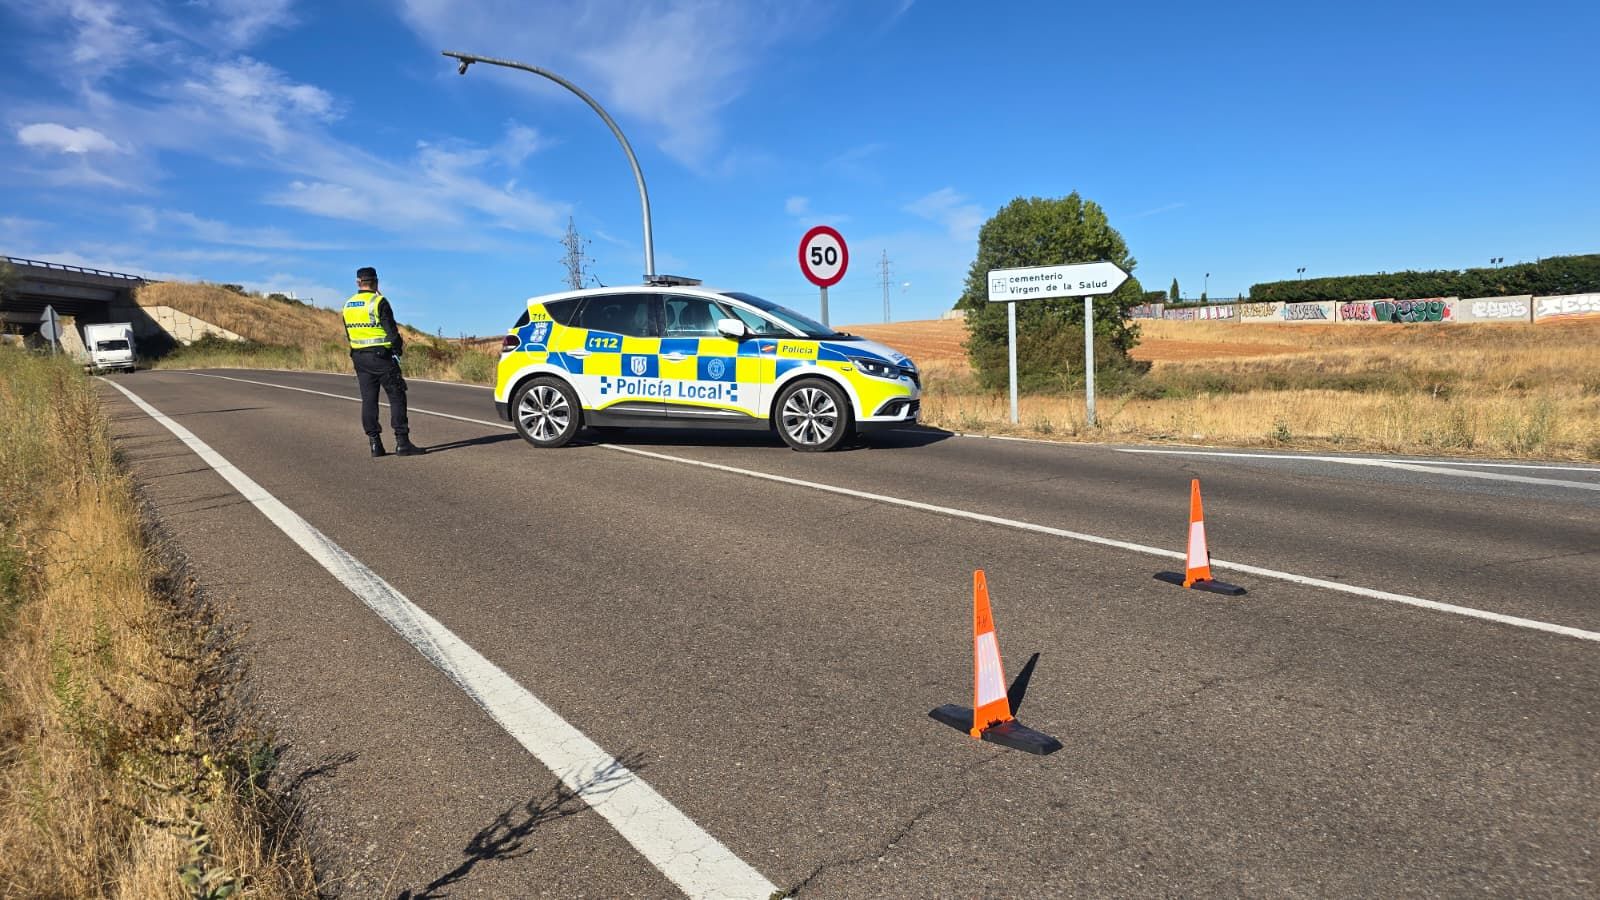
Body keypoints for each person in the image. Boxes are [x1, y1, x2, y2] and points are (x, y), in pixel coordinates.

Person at [344, 266, 422, 457]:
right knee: (397, 396)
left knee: (368, 400)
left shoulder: (348, 304)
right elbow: (392, 333)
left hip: (360, 358)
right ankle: (402, 443)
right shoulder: (378, 301)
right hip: (382, 357)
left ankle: (375, 444)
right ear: (376, 282)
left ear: (358, 282)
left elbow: (349, 334)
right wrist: (397, 350)